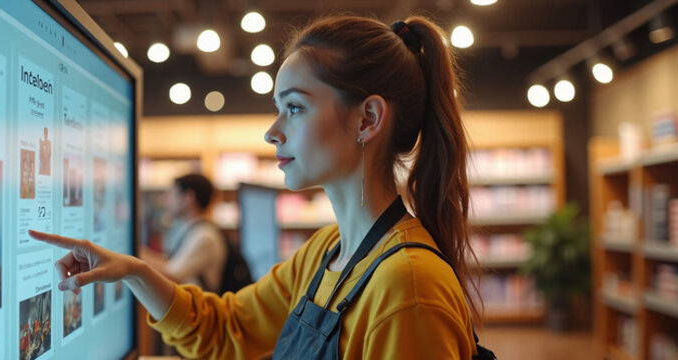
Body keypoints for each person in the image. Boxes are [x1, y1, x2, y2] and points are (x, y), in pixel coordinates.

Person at [31, 14, 491, 359]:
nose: (272, 132)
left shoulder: (407, 289)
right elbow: (226, 330)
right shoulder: (326, 251)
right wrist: (134, 270)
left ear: (367, 119)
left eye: (295, 108)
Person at [138, 174, 228, 292]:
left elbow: (172, 276)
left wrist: (134, 257)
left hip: (197, 303)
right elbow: (169, 263)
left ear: (188, 198)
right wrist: (137, 252)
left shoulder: (204, 236)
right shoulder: (190, 229)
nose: (166, 199)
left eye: (172, 194)